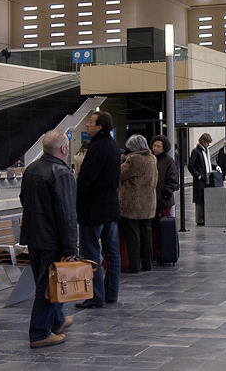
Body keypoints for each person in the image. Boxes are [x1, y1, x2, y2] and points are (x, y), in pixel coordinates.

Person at [19, 130, 78, 348]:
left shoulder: (32, 169)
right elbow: (66, 213)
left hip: (33, 236)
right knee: (48, 286)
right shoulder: (61, 173)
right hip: (52, 238)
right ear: (63, 149)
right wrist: (71, 245)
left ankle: (57, 320)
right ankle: (39, 333)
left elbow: (23, 199)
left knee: (46, 281)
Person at [75, 111, 121, 308]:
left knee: (91, 253)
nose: (87, 125)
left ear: (100, 127)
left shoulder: (97, 146)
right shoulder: (113, 145)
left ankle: (95, 296)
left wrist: (76, 198)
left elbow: (86, 178)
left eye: (91, 122)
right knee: (112, 253)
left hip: (94, 209)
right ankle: (111, 293)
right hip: (110, 207)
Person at [119, 134, 157, 273]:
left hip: (132, 203)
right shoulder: (152, 158)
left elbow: (120, 174)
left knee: (133, 235)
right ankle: (147, 264)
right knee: (146, 235)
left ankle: (134, 265)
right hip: (148, 202)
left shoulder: (133, 159)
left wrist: (123, 158)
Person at [151, 135, 179, 219]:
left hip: (164, 200)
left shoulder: (168, 161)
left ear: (164, 148)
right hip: (151, 200)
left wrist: (167, 192)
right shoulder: (150, 159)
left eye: (158, 146)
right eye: (154, 146)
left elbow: (173, 179)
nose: (155, 148)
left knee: (164, 224)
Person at [187, 133, 212, 225]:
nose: (208, 145)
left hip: (206, 179)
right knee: (199, 201)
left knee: (203, 199)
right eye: (207, 143)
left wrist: (214, 167)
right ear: (203, 142)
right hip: (200, 180)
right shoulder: (196, 151)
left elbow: (206, 164)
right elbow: (191, 165)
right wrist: (198, 176)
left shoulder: (205, 151)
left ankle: (204, 218)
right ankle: (200, 219)